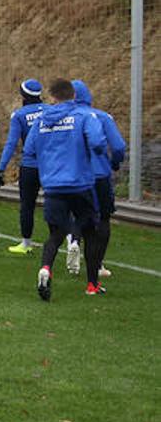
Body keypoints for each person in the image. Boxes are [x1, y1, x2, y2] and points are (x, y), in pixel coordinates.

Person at [23, 79, 106, 300]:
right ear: (74, 96)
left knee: (55, 234)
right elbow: (98, 142)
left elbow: (29, 149)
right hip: (80, 183)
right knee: (90, 232)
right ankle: (91, 284)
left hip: (53, 185)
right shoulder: (84, 116)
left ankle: (46, 269)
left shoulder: (41, 120)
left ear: (52, 96)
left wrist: (50, 157)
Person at [71, 79, 126, 282]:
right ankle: (97, 264)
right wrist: (114, 163)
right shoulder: (101, 116)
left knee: (78, 214)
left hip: (71, 175)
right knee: (103, 218)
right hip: (99, 174)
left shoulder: (62, 118)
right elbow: (118, 146)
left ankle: (74, 240)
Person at [0, 79, 45, 254]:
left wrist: (1, 168)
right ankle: (71, 241)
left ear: (23, 95)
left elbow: (11, 143)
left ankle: (26, 243)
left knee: (27, 205)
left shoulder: (20, 115)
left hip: (30, 166)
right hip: (53, 165)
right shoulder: (51, 110)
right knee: (61, 203)